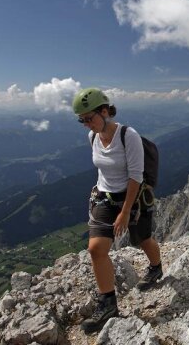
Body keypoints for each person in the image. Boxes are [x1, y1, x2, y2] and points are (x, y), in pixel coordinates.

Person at [72, 88, 162, 334]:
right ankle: (108, 302)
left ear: (104, 111)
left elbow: (135, 176)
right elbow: (102, 169)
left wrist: (125, 212)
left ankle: (156, 267)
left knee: (142, 239)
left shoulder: (127, 135)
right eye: (82, 120)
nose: (86, 124)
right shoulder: (93, 137)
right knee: (96, 249)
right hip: (104, 197)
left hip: (131, 198)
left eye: (89, 118)